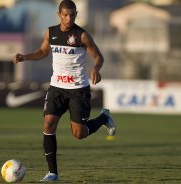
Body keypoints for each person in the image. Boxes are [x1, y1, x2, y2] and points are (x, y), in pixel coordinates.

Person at [12, 0, 115, 182]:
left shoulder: (81, 35)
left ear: (75, 14)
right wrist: (25, 57)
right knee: (48, 126)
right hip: (57, 88)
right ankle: (52, 173)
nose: (69, 19)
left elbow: (98, 56)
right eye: (65, 15)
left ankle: (103, 118)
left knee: (79, 134)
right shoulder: (50, 32)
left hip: (78, 89)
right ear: (59, 15)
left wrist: (96, 69)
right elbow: (43, 52)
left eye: (72, 15)